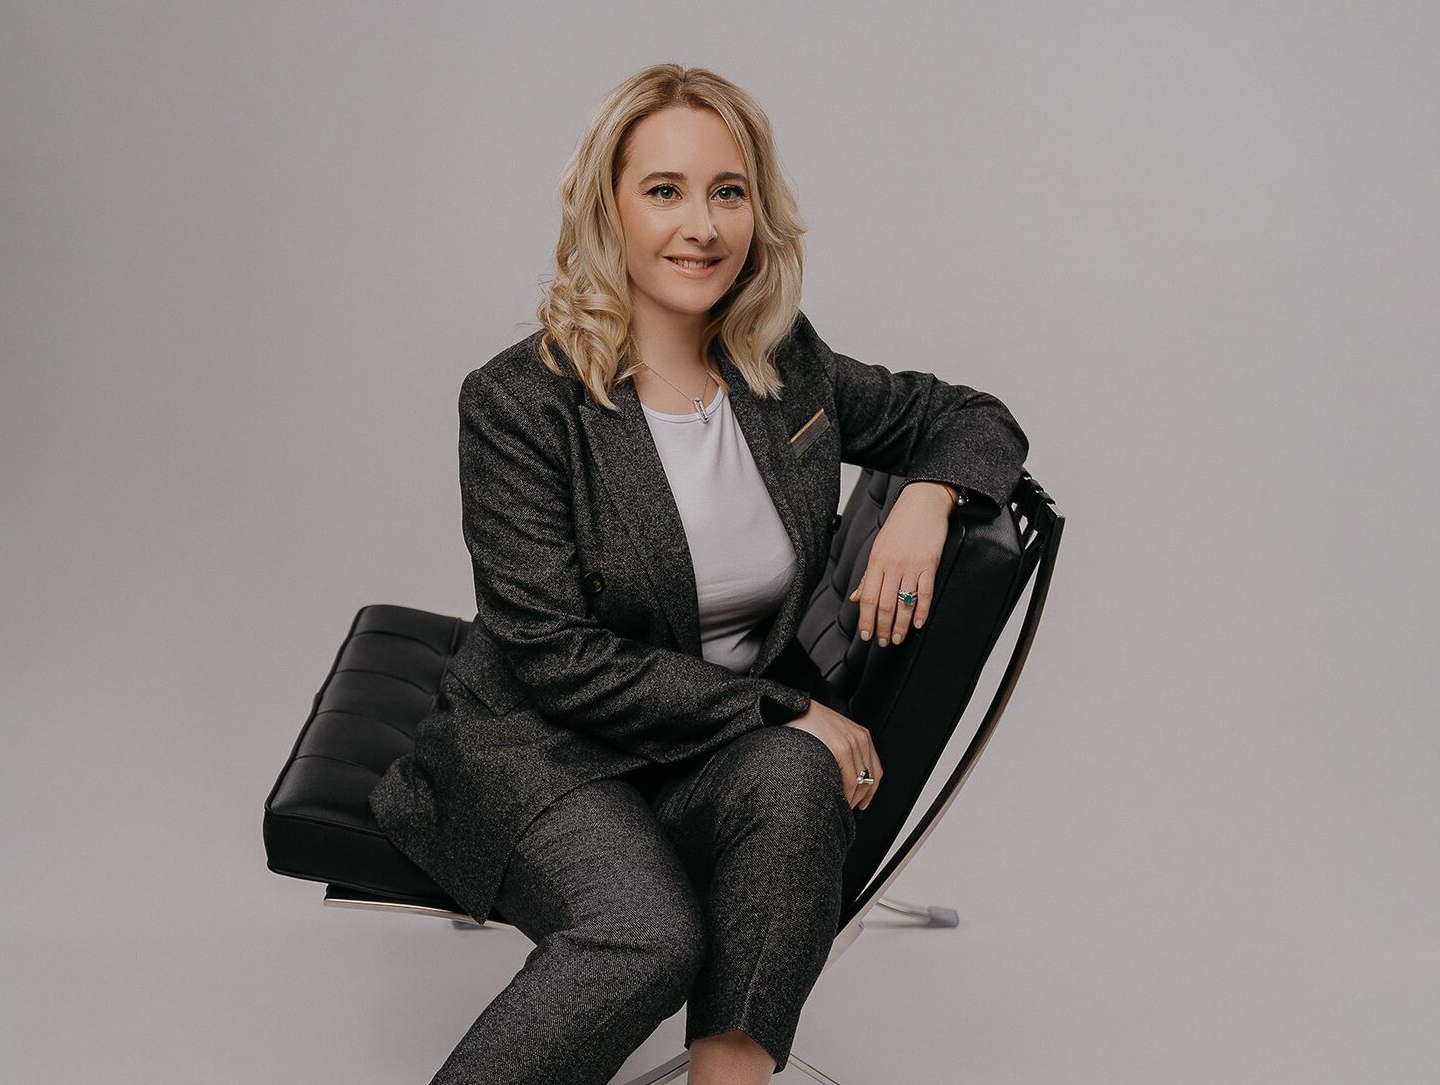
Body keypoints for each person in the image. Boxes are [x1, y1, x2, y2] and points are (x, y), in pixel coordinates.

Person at [367, 62, 1030, 1085]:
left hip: (701, 754)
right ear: (609, 208)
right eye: (665, 191)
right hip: (549, 750)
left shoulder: (782, 367)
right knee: (647, 934)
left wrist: (925, 499)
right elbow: (557, 658)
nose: (703, 226)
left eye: (728, 191)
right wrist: (779, 704)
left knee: (798, 775)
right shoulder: (519, 402)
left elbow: (974, 417)